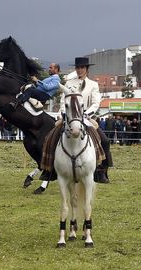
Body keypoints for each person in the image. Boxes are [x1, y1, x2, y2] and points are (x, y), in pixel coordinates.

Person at [36, 57, 113, 194]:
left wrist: (86, 113)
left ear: (86, 69)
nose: (79, 70)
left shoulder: (93, 85)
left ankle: (101, 171)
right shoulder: (69, 83)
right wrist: (64, 113)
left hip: (86, 118)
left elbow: (95, 103)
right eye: (78, 68)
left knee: (105, 141)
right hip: (69, 118)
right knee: (50, 138)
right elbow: (62, 100)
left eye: (82, 67)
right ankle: (49, 171)